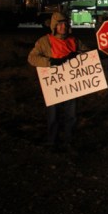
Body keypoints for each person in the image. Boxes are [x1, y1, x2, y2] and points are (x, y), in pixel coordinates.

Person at [27, 12, 89, 152]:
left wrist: (78, 55)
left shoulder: (74, 40)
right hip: (54, 86)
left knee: (71, 115)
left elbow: (88, 54)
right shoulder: (44, 41)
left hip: (72, 85)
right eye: (60, 24)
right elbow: (32, 58)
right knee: (53, 116)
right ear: (54, 26)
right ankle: (52, 142)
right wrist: (50, 62)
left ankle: (69, 141)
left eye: (65, 24)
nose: (63, 27)